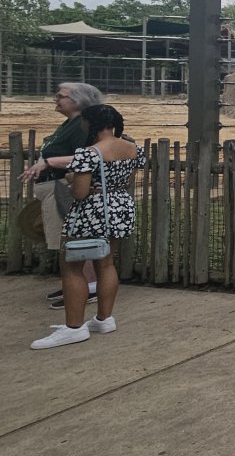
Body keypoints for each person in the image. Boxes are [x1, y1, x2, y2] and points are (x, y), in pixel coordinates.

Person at [31, 104, 146, 349]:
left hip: (91, 210)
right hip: (119, 207)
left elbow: (81, 193)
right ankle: (104, 319)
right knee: (106, 263)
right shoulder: (134, 149)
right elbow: (127, 179)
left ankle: (74, 328)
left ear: (88, 123)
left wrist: (72, 179)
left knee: (71, 265)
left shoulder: (88, 153)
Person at [19, 82, 106, 309]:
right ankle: (74, 283)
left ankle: (86, 286)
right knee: (64, 238)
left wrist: (49, 162)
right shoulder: (70, 123)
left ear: (78, 100)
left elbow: (85, 157)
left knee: (72, 238)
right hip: (53, 187)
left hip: (64, 189)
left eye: (61, 96)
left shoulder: (81, 126)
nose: (56, 99)